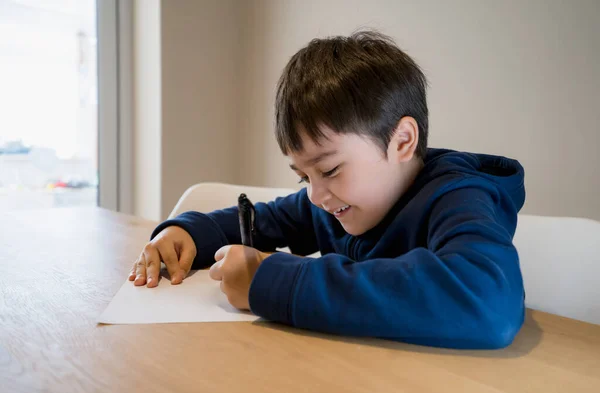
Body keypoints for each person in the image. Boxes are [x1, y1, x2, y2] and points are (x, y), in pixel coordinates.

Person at [128, 30, 526, 349]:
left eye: (330, 169)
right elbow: (261, 220)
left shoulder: (460, 197)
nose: (315, 196)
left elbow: (487, 302)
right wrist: (187, 232)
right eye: (304, 177)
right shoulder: (331, 202)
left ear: (402, 141)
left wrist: (276, 282)